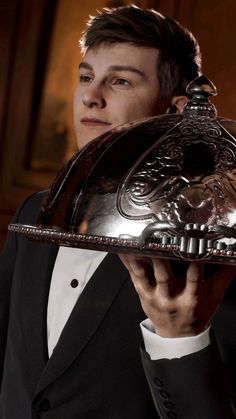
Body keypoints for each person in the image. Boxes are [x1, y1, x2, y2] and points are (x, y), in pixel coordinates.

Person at [0, 4, 235, 419]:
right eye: (87, 77)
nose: (91, 95)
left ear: (175, 110)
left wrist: (179, 341)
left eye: (121, 80)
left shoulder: (212, 244)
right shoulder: (36, 209)